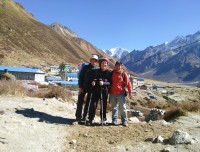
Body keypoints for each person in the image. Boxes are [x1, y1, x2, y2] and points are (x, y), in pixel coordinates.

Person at [86, 58, 111, 126]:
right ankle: (90, 119)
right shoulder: (96, 71)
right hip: (95, 91)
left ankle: (103, 119)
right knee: (93, 105)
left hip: (104, 91)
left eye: (105, 63)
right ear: (100, 64)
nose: (104, 64)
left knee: (103, 106)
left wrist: (104, 83)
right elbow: (91, 79)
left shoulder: (109, 73)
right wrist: (92, 82)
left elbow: (110, 83)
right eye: (103, 63)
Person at [75, 54, 99, 123]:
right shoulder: (85, 67)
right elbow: (81, 77)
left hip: (91, 88)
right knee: (80, 102)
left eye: (95, 60)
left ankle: (84, 117)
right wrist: (80, 87)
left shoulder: (96, 69)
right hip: (83, 87)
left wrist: (94, 81)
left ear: (96, 61)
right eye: (93, 59)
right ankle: (78, 117)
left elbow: (96, 78)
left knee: (88, 103)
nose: (94, 61)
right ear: (90, 60)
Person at [109, 61, 132, 127]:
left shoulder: (123, 73)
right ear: (115, 66)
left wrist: (130, 92)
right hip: (112, 93)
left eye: (119, 65)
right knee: (114, 108)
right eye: (117, 65)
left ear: (121, 66)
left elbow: (128, 83)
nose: (118, 67)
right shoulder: (112, 73)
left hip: (121, 93)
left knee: (122, 107)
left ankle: (124, 121)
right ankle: (114, 120)